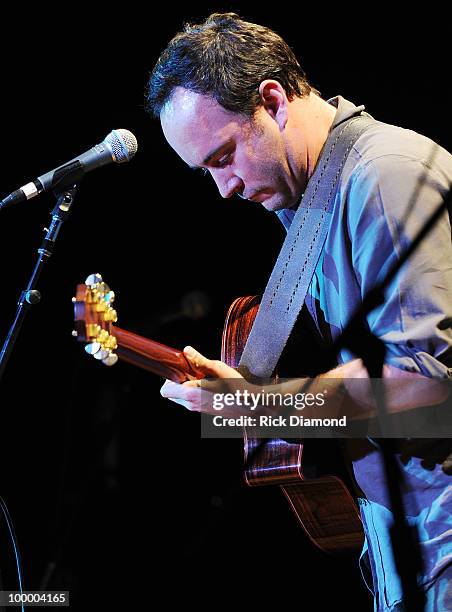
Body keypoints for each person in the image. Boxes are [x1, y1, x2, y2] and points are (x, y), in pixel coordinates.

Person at [145, 12, 452, 611]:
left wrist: (261, 404)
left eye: (223, 156)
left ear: (273, 100)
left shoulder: (383, 174)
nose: (223, 189)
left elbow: (422, 381)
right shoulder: (314, 197)